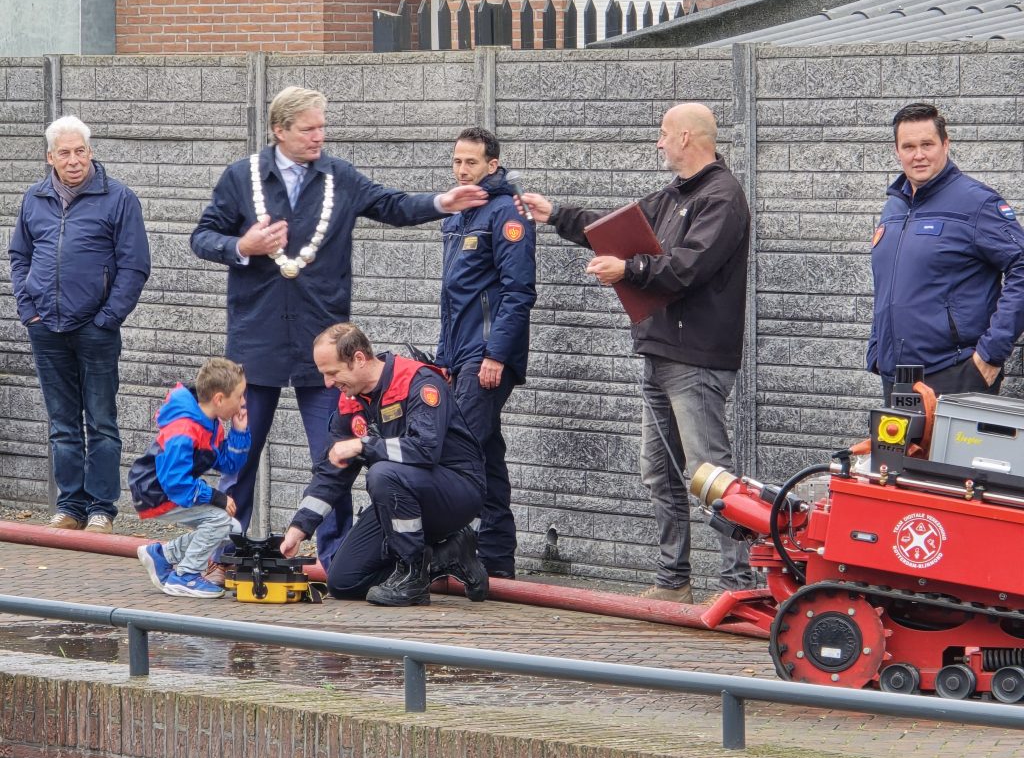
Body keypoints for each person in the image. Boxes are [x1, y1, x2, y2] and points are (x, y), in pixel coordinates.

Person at [191, 86, 487, 571]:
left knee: (334, 453)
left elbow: (391, 205)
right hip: (257, 339)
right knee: (239, 456)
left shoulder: (338, 177)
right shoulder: (240, 178)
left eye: (322, 127)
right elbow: (201, 237)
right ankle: (224, 551)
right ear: (279, 130)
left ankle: (332, 557)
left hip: (323, 346)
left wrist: (442, 201)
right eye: (308, 129)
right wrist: (242, 244)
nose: (319, 137)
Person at [517, 103, 754, 603]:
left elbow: (689, 267)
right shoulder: (674, 196)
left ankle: (738, 584)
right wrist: (556, 215)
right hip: (658, 349)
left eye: (664, 134)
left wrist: (630, 271)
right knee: (660, 472)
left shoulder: (722, 197)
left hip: (697, 360)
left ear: (687, 137)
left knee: (708, 473)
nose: (659, 143)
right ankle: (674, 582)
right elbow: (615, 228)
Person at [8, 115, 151, 534]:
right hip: (45, 328)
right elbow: (19, 257)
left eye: (80, 151)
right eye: (65, 153)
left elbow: (135, 265)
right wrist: (28, 311)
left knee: (101, 421)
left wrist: (108, 318)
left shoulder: (118, 198)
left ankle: (102, 509)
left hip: (96, 329)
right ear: (50, 157)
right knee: (62, 424)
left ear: (90, 152)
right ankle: (69, 507)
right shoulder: (34, 199)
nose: (74, 160)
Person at [280, 323, 488, 607]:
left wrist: (364, 445)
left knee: (383, 473)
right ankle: (446, 556)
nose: (328, 384)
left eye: (332, 373)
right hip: (401, 495)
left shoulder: (418, 382)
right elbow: (332, 472)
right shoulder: (351, 402)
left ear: (359, 359)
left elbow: (425, 449)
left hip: (457, 490)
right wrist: (299, 528)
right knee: (343, 581)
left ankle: (412, 575)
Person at [868, 102, 1024, 402]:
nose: (918, 155)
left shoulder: (977, 203)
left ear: (946, 144)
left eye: (927, 144)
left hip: (954, 374)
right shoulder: (895, 207)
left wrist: (990, 354)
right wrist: (877, 348)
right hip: (896, 378)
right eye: (909, 146)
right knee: (897, 452)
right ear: (896, 151)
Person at [436, 127, 537, 579]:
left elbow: (518, 293)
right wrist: (443, 359)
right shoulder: (459, 214)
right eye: (457, 161)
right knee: (485, 451)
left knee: (456, 452)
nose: (462, 169)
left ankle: (447, 552)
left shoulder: (507, 213)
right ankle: (497, 557)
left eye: (471, 162)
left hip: (488, 356)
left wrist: (495, 355)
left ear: (492, 166)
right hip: (460, 356)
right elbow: (451, 298)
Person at [130, 357, 251, 599]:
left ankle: (163, 555)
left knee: (232, 529)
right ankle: (186, 576)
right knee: (218, 520)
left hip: (173, 489)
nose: (243, 402)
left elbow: (228, 464)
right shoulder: (185, 428)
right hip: (156, 493)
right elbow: (175, 482)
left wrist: (239, 433)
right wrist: (216, 497)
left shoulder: (210, 422)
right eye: (239, 396)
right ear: (219, 399)